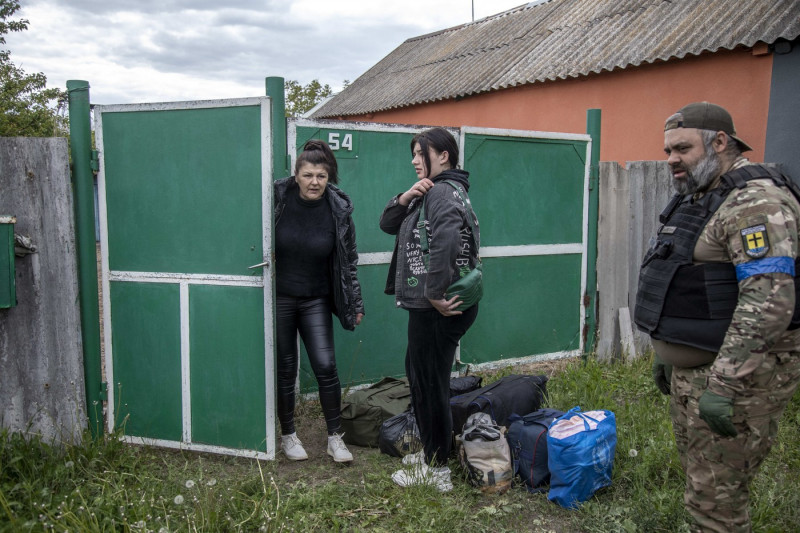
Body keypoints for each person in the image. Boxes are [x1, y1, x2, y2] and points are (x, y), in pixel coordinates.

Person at [634, 102, 800, 532]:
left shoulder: (756, 202)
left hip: (739, 379)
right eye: (668, 149)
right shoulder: (704, 197)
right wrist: (666, 349)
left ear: (720, 142)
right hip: (698, 371)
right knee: (701, 487)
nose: (671, 159)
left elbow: (768, 302)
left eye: (682, 148)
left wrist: (725, 385)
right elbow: (681, 277)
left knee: (716, 504)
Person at [379, 127, 481, 491]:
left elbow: (448, 239)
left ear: (444, 156)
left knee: (430, 383)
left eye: (421, 153)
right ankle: (435, 451)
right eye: (413, 153)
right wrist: (406, 196)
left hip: (435, 306)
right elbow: (387, 223)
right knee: (424, 377)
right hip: (432, 306)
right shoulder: (440, 191)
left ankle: (436, 468)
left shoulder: (441, 192)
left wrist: (434, 292)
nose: (414, 160)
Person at [273, 139, 364, 463]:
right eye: (308, 175)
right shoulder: (277, 199)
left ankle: (334, 439)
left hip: (316, 298)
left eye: (321, 176)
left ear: (329, 179)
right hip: (281, 297)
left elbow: (348, 260)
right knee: (285, 368)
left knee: (326, 366)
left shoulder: (338, 210)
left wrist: (354, 302)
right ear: (296, 174)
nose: (314, 182)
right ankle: (288, 435)